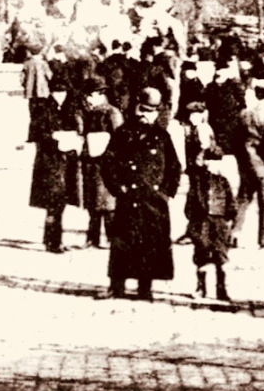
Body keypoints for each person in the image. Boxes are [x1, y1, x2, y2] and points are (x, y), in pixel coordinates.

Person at [99, 87, 182, 302]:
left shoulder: (163, 136)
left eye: (152, 111)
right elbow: (108, 163)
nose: (147, 115)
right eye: (143, 110)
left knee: (150, 245)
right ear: (137, 108)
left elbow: (174, 167)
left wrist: (166, 193)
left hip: (153, 201)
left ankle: (145, 287)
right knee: (123, 243)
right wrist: (119, 189)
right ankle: (116, 286)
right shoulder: (123, 133)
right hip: (129, 199)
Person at [183, 102, 236, 301]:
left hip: (219, 222)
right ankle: (201, 287)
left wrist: (229, 220)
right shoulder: (198, 182)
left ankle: (222, 289)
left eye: (215, 163)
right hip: (202, 220)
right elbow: (190, 204)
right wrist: (193, 222)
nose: (212, 166)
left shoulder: (223, 182)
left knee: (221, 255)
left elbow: (231, 204)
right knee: (202, 253)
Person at [29, 72, 83, 253]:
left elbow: (78, 130)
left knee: (60, 202)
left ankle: (52, 239)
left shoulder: (71, 108)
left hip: (67, 161)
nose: (60, 96)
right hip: (49, 162)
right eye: (56, 92)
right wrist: (55, 140)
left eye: (63, 92)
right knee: (53, 201)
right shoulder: (42, 108)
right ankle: (52, 241)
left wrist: (74, 140)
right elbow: (36, 134)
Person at [235, 82, 264, 248]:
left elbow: (237, 141)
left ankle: (234, 232)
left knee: (243, 199)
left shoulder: (244, 114)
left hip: (247, 163)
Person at [80, 77, 123, 248]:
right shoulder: (92, 112)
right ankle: (93, 238)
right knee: (94, 202)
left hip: (107, 162)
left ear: (99, 95)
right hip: (93, 162)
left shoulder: (111, 113)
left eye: (90, 96)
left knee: (108, 203)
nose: (88, 100)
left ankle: (113, 238)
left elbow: (120, 138)